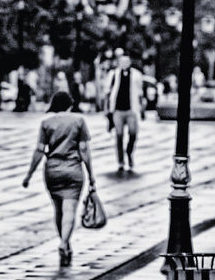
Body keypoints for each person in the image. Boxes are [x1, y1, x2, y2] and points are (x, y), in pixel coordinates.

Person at [22, 90, 96, 267]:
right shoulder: (78, 121)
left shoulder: (47, 123)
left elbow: (39, 150)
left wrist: (29, 175)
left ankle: (65, 241)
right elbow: (84, 150)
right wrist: (91, 175)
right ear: (70, 104)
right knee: (70, 209)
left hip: (52, 170)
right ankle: (64, 243)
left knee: (58, 210)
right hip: (73, 170)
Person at [105, 54, 144, 174]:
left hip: (131, 109)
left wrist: (142, 109)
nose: (124, 64)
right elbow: (107, 92)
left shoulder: (136, 74)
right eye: (122, 62)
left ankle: (129, 152)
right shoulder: (113, 74)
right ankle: (121, 161)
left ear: (130, 62)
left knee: (133, 133)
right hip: (117, 109)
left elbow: (140, 93)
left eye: (126, 61)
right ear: (119, 63)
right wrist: (107, 109)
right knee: (119, 135)